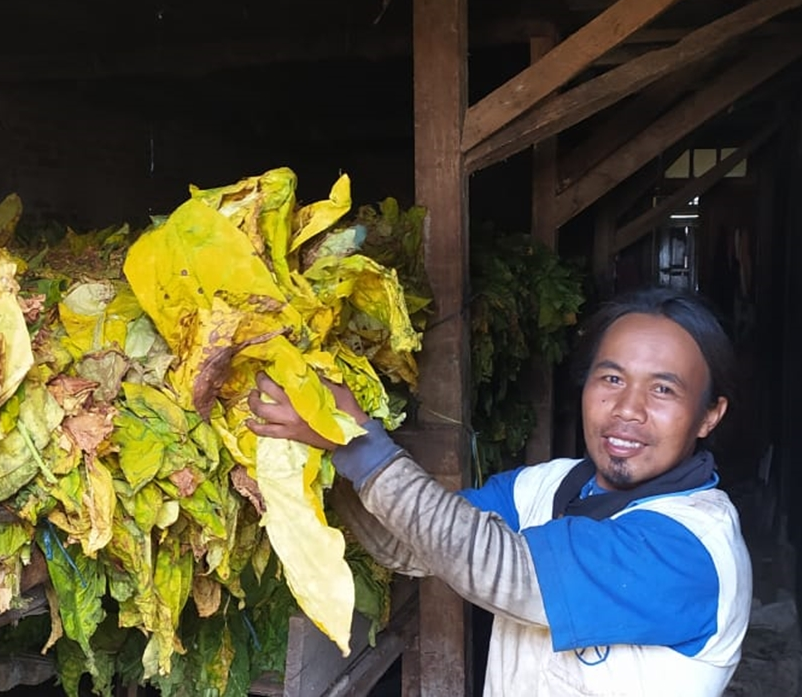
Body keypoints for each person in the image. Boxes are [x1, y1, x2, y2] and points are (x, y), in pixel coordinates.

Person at [246, 286, 752, 696]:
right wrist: (326, 450)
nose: (628, 408)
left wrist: (358, 442)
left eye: (663, 389)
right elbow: (414, 547)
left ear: (710, 415)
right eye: (612, 378)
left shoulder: (692, 548)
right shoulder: (547, 483)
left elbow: (509, 572)